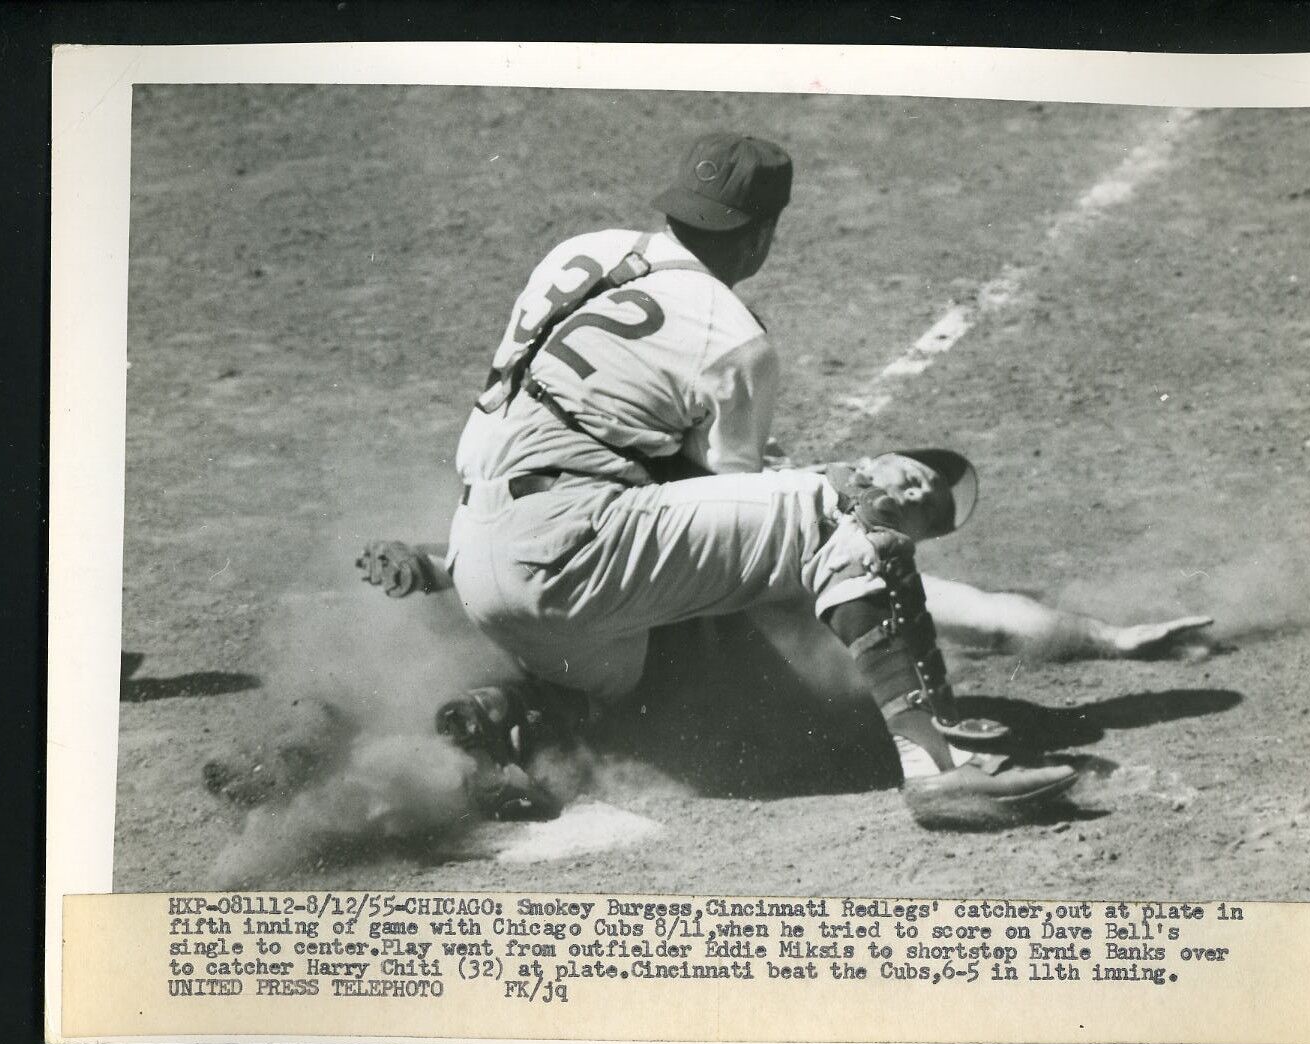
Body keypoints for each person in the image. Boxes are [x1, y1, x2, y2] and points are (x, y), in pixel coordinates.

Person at [394, 133, 1093, 829]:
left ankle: (511, 718)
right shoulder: (735, 337)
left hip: (480, 562)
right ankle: (940, 771)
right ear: (761, 238)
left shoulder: (577, 253)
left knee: (666, 659)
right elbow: (739, 517)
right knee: (845, 516)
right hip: (570, 556)